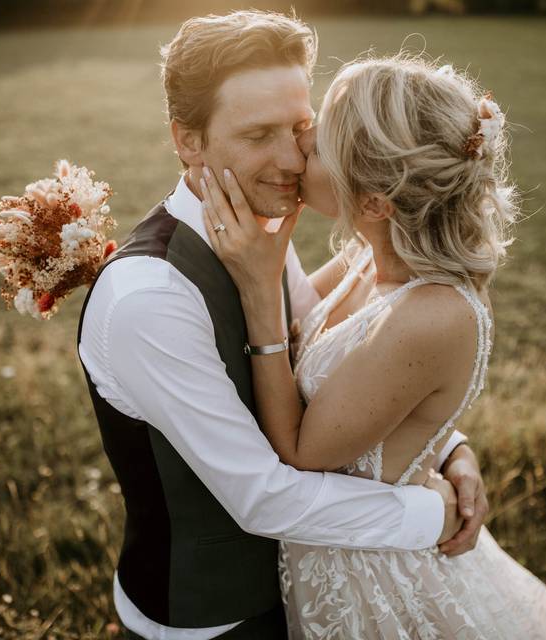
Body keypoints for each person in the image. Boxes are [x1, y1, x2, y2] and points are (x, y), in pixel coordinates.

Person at [76, 12, 488, 640]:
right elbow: (264, 496)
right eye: (257, 133)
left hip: (312, 590)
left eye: (300, 128)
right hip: (215, 618)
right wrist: (432, 513)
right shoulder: (149, 299)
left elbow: (330, 362)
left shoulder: (255, 225)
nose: (293, 160)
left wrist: (445, 445)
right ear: (188, 140)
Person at [201, 55, 546, 638]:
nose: (299, 151)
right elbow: (371, 387)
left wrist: (256, 289)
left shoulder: (434, 315)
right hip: (338, 540)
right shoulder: (364, 256)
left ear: (375, 203)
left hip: (372, 575)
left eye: (318, 148)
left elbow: (300, 450)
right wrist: (452, 449)